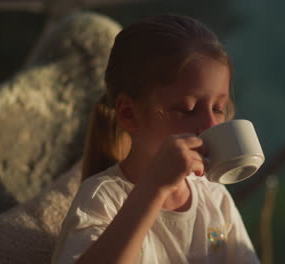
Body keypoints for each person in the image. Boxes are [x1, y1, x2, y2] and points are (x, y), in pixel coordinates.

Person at [51, 14, 260, 264]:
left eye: (218, 108)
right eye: (187, 109)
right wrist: (154, 188)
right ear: (130, 114)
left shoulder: (214, 197)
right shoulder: (104, 198)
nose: (209, 125)